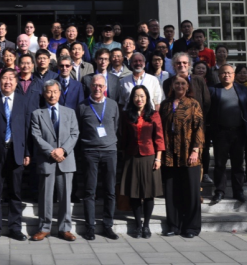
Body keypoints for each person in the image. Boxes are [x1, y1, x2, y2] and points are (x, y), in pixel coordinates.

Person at [0, 68, 32, 242]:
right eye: (4, 78)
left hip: (16, 152)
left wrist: (27, 152)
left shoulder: (23, 101)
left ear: (16, 82)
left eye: (11, 79)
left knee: (15, 192)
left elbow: (27, 129)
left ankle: (15, 228)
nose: (7, 82)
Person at [30, 80, 80, 242]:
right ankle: (44, 228)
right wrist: (52, 152)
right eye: (49, 92)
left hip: (66, 160)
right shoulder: (37, 114)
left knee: (65, 197)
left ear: (60, 93)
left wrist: (63, 150)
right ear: (44, 94)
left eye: (55, 91)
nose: (52, 95)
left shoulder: (69, 112)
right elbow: (36, 136)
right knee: (45, 196)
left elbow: (74, 134)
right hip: (47, 160)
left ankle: (65, 228)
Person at [76, 74, 121, 241]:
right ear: (90, 86)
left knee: (110, 190)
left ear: (105, 88)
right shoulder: (82, 106)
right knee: (90, 191)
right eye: (95, 85)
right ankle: (90, 227)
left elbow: (115, 127)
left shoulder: (113, 105)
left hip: (110, 151)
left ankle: (108, 225)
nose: (97, 88)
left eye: (101, 86)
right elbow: (79, 129)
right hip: (90, 152)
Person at [159, 75, 205, 238]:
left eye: (183, 83)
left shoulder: (193, 103)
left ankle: (191, 227)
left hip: (188, 152)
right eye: (177, 83)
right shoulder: (165, 105)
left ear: (187, 86)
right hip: (170, 154)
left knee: (191, 192)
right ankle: (174, 225)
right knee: (172, 192)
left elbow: (199, 127)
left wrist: (195, 150)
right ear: (172, 85)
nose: (179, 86)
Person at [120, 85, 165, 239]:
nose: (139, 99)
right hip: (132, 156)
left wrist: (158, 158)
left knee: (148, 193)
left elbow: (159, 137)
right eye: (136, 96)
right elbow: (124, 137)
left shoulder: (154, 115)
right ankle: (138, 225)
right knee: (134, 193)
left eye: (142, 96)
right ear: (132, 98)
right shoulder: (127, 115)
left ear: (147, 98)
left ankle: (146, 225)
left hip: (149, 157)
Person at [163, 53, 212, 183]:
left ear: (189, 64)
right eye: (178, 63)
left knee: (198, 155)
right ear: (174, 65)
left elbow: (206, 102)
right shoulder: (168, 82)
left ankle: (201, 180)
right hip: (176, 129)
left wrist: (199, 120)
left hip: (196, 126)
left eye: (184, 63)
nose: (182, 65)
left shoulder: (198, 80)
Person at [209, 65, 247, 205]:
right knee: (220, 164)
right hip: (220, 132)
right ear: (219, 75)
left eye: (229, 73)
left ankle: (238, 191)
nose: (226, 75)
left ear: (234, 75)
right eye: (223, 73)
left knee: (238, 164)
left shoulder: (242, 89)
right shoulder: (213, 89)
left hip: (238, 132)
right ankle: (219, 191)